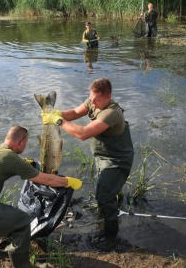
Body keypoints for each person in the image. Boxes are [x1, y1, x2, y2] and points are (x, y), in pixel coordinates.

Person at [0, 126, 82, 268]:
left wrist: (24, 163)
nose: (26, 145)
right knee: (22, 222)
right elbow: (45, 180)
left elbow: (5, 163)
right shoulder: (9, 157)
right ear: (22, 141)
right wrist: (69, 181)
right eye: (26, 142)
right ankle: (22, 265)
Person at [41, 78, 134, 251]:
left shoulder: (112, 113)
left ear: (108, 97)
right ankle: (107, 210)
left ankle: (110, 235)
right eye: (91, 97)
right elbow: (75, 113)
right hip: (102, 156)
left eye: (96, 99)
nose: (92, 102)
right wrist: (55, 114)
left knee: (104, 195)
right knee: (106, 190)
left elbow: (83, 134)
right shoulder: (93, 101)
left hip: (117, 160)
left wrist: (58, 121)